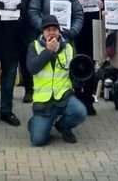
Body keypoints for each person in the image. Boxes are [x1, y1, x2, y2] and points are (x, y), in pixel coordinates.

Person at [27, 15, 87, 146]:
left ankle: (63, 126)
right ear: (43, 32)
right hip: (44, 101)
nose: (52, 32)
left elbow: (75, 69)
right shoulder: (34, 46)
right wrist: (48, 51)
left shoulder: (68, 48)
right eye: (48, 30)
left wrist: (81, 77)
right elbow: (32, 68)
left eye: (54, 29)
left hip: (63, 96)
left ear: (59, 31)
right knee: (38, 140)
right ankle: (35, 122)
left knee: (81, 112)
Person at [65, 0, 108, 116]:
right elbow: (64, 6)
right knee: (76, 62)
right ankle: (76, 95)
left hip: (93, 27)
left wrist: (102, 5)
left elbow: (106, 1)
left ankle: (88, 98)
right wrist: (76, 3)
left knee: (91, 63)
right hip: (77, 29)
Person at [11, 0, 40, 103]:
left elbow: (33, 2)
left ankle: (30, 89)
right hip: (12, 28)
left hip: (28, 30)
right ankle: (7, 91)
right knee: (11, 62)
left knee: (26, 60)